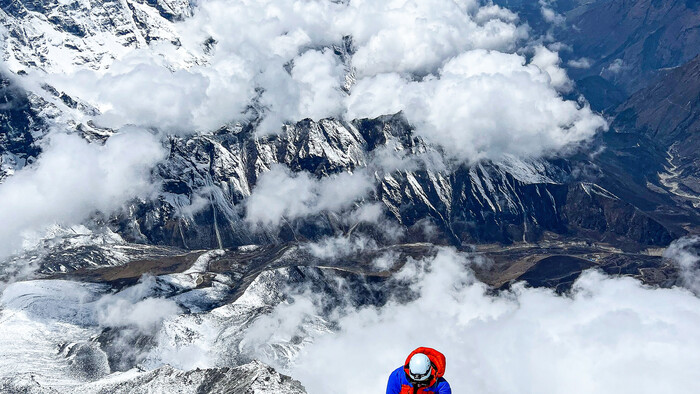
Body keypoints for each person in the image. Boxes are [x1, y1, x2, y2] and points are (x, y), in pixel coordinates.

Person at [386, 347, 451, 394]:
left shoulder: (442, 387)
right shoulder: (397, 377)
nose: (419, 385)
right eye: (413, 381)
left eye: (423, 382)